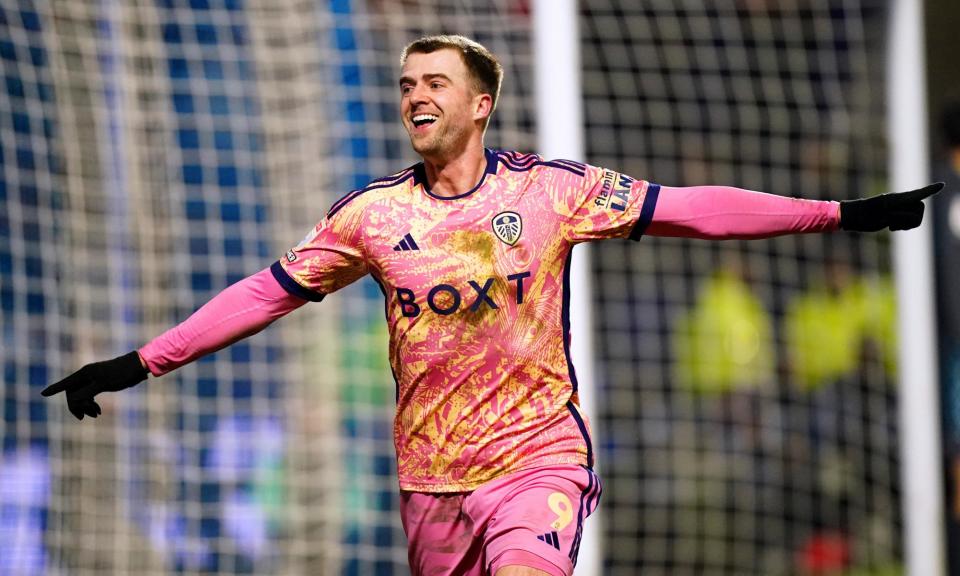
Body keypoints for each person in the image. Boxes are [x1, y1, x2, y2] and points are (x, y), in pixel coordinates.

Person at [42, 34, 941, 576]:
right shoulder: (371, 217)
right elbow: (261, 295)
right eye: (405, 85)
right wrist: (138, 361)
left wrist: (838, 213)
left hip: (535, 460)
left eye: (434, 82)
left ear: (482, 102)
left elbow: (690, 208)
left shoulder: (553, 194)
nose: (415, 96)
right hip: (430, 479)